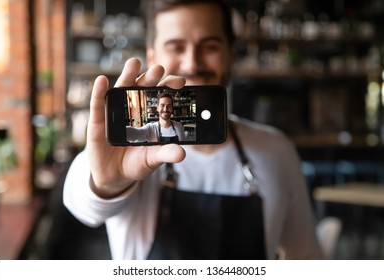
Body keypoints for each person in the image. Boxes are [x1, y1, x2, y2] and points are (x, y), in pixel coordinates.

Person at [64, 0, 323, 260]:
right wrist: (106, 184)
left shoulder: (276, 150)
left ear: (230, 55)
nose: (192, 62)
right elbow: (82, 205)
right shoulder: (131, 147)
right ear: (152, 55)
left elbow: (305, 258)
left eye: (210, 46)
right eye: (176, 47)